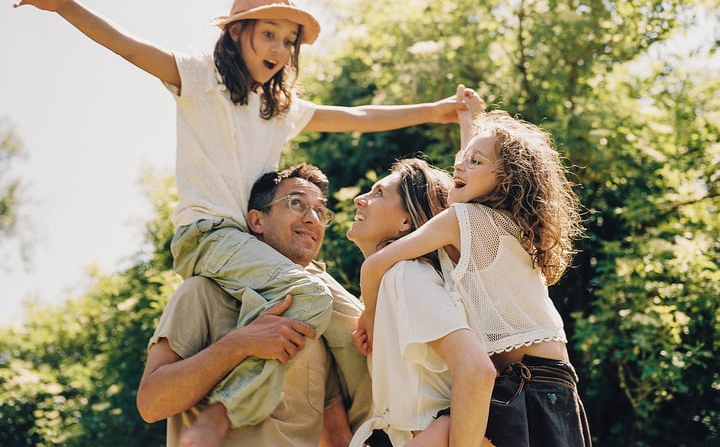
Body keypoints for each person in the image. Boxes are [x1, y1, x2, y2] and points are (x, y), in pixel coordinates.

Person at [12, 0, 470, 432]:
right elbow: (129, 47)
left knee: (360, 328)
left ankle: (388, 433)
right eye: (268, 34)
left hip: (256, 248)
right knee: (307, 294)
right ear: (236, 33)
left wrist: (436, 109)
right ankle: (223, 411)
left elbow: (356, 118)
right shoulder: (198, 80)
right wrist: (63, 4)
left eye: (289, 41)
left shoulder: (278, 109)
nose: (280, 49)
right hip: (209, 235)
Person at [357, 86, 591, 446]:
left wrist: (370, 316)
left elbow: (376, 265)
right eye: (462, 159)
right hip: (551, 380)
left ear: (506, 180)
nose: (458, 165)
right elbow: (476, 166)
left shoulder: (463, 219)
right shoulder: (501, 221)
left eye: (473, 162)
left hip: (529, 382)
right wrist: (468, 119)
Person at [137, 163, 371, 447]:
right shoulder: (202, 294)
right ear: (257, 221)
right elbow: (151, 404)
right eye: (296, 203)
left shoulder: (321, 318)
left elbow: (335, 435)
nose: (312, 219)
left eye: (320, 211)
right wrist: (238, 344)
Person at [346, 157, 496, 447]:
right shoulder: (393, 284)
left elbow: (476, 371)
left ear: (406, 222)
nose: (359, 200)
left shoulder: (409, 276)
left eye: (378, 193)